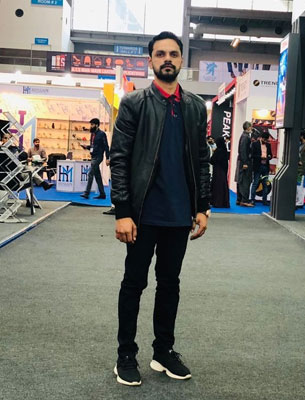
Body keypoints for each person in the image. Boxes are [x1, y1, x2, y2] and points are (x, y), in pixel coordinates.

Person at [110, 31, 210, 386]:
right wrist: (122, 210)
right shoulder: (134, 103)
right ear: (150, 60)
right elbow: (119, 158)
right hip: (142, 214)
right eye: (160, 53)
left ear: (182, 60)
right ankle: (125, 355)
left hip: (179, 214)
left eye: (173, 54)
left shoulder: (195, 107)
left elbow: (201, 159)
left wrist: (203, 206)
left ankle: (163, 351)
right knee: (134, 283)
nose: (167, 59)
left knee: (170, 284)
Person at [80, 118, 109, 200]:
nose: (91, 126)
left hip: (98, 157)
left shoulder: (102, 134)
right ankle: (102, 194)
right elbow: (93, 146)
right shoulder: (92, 134)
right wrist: (87, 147)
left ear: (96, 125)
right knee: (97, 176)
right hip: (93, 156)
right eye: (91, 124)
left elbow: (106, 146)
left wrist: (107, 158)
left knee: (90, 173)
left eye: (92, 124)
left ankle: (86, 193)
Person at [250, 131, 272, 206]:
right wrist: (260, 157)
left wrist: (268, 157)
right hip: (257, 166)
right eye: (264, 139)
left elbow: (271, 155)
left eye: (266, 140)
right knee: (255, 183)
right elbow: (252, 155)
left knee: (265, 184)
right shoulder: (255, 144)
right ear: (261, 138)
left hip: (265, 166)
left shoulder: (268, 145)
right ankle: (252, 199)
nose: (265, 141)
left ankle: (264, 200)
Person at [236, 121, 252, 206]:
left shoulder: (244, 136)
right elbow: (243, 150)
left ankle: (239, 199)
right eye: (251, 127)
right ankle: (244, 200)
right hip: (245, 162)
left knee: (240, 180)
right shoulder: (246, 137)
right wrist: (245, 162)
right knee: (245, 181)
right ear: (248, 127)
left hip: (242, 161)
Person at [210, 136, 230, 208]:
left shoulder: (217, 151)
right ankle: (223, 202)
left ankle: (217, 202)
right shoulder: (225, 151)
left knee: (217, 186)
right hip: (223, 171)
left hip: (217, 170)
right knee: (223, 186)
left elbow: (212, 160)